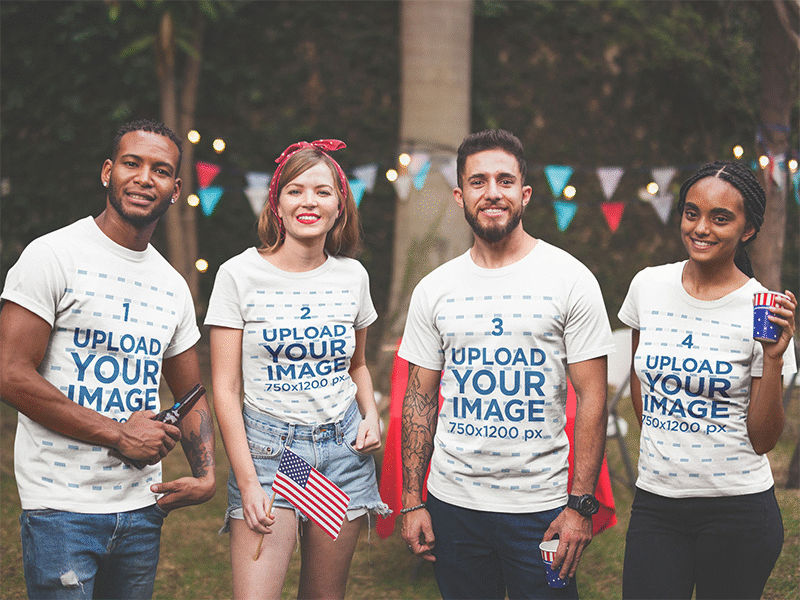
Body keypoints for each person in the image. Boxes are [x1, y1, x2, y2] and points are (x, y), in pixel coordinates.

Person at [0, 118, 216, 600]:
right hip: (61, 508)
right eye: (131, 163)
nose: (144, 177)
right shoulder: (53, 255)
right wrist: (119, 434)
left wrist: (206, 475)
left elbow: (192, 394)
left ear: (176, 189)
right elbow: (10, 374)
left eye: (160, 170)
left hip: (141, 508)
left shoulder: (172, 286)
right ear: (107, 172)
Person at [399, 129, 615, 600]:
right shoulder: (435, 288)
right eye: (478, 182)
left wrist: (580, 505)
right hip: (453, 504)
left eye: (504, 180)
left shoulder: (570, 278)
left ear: (525, 193)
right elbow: (418, 397)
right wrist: (413, 500)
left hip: (542, 508)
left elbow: (593, 396)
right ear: (459, 195)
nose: (492, 192)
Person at [205, 139, 388, 600]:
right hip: (272, 456)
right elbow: (225, 389)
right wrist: (247, 481)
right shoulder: (238, 275)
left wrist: (371, 415)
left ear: (339, 206)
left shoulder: (353, 277)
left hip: (341, 454)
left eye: (323, 192)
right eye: (295, 190)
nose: (309, 201)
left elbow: (359, 365)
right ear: (276, 203)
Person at [618, 160, 797, 600]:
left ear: (748, 229)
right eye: (692, 212)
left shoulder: (762, 308)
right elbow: (641, 375)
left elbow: (763, 440)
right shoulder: (649, 286)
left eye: (721, 218)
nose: (701, 228)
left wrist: (773, 360)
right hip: (657, 504)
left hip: (737, 511)